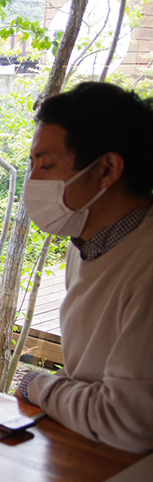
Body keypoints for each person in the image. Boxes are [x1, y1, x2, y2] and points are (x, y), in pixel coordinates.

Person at [15, 82, 153, 453]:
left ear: (107, 169)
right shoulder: (86, 243)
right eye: (32, 166)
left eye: (46, 165)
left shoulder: (146, 268)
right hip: (84, 455)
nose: (33, 182)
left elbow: (127, 421)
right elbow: (88, 376)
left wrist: (37, 385)